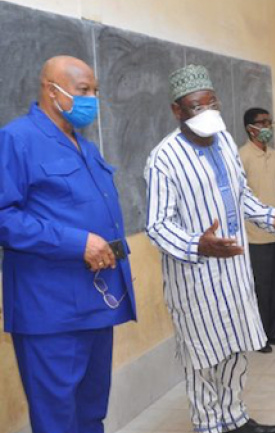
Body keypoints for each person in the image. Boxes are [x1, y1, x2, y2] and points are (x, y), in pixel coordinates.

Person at [145, 65, 275, 433]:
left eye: (212, 103)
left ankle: (235, 419)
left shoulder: (225, 142)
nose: (207, 112)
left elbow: (241, 196)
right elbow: (157, 225)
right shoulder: (163, 158)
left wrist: (270, 217)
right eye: (196, 106)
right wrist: (195, 244)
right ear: (177, 111)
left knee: (235, 349)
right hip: (195, 279)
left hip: (235, 272)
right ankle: (209, 426)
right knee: (202, 358)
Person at [0, 56, 136, 433]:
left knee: (91, 410)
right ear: (51, 89)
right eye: (83, 91)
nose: (92, 99)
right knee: (57, 417)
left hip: (96, 301)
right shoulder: (17, 139)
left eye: (95, 91)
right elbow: (4, 217)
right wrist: (76, 243)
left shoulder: (85, 147)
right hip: (51, 309)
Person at [239, 107, 275, 354]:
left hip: (274, 231)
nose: (267, 127)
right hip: (253, 236)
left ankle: (272, 331)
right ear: (250, 128)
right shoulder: (242, 156)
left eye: (270, 122)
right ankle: (258, 337)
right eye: (262, 123)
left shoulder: (274, 155)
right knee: (260, 288)